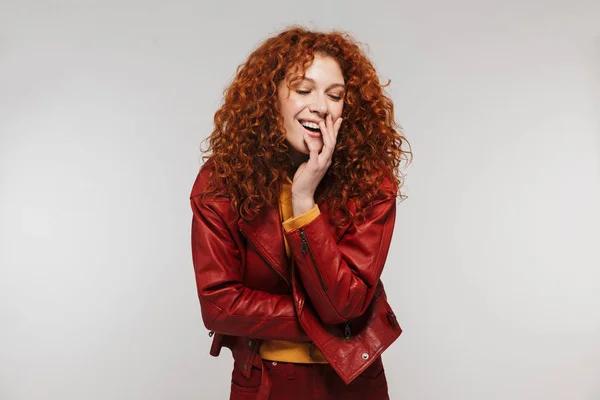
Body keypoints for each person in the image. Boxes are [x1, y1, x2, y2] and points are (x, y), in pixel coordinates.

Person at [189, 25, 411, 400]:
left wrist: (304, 198)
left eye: (335, 95)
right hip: (264, 382)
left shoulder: (372, 184)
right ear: (270, 97)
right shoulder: (221, 182)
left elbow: (344, 304)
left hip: (353, 382)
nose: (320, 106)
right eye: (303, 90)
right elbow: (218, 304)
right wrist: (328, 322)